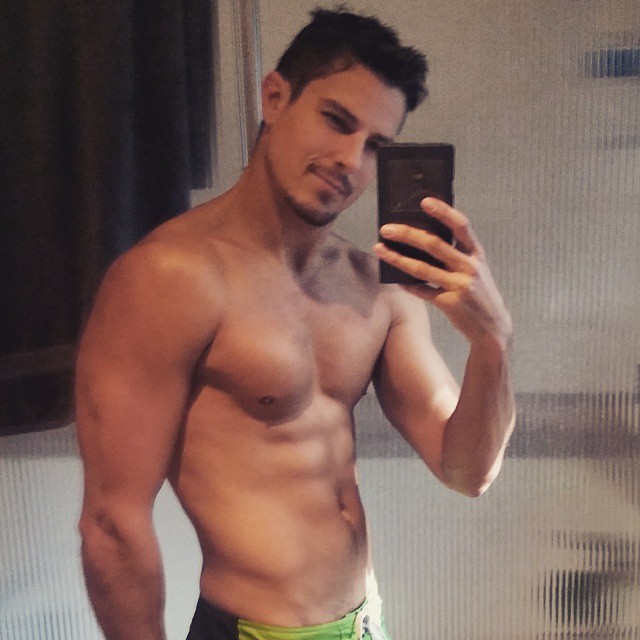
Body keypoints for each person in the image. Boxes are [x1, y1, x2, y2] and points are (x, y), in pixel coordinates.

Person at [75, 7, 515, 640]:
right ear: (275, 97)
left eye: (376, 146)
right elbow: (112, 523)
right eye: (336, 120)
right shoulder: (170, 278)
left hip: (364, 622)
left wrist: (491, 341)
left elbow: (467, 471)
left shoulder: (375, 288)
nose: (350, 159)